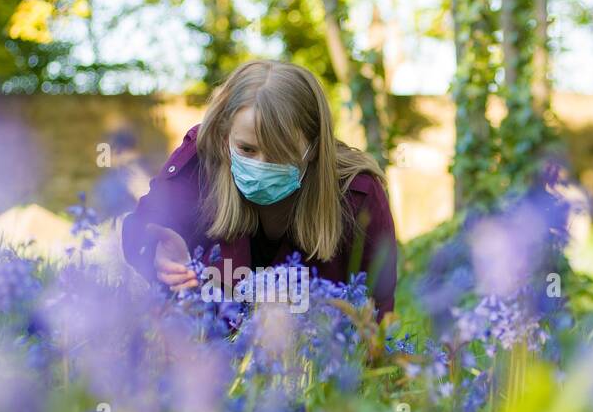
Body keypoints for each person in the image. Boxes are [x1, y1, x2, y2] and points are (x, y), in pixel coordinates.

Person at [121, 60, 398, 315]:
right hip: (210, 346)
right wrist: (159, 256)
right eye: (247, 149)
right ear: (223, 138)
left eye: (281, 152)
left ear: (314, 148)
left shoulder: (356, 194)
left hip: (313, 354)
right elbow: (141, 231)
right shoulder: (199, 163)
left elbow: (377, 309)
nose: (262, 164)